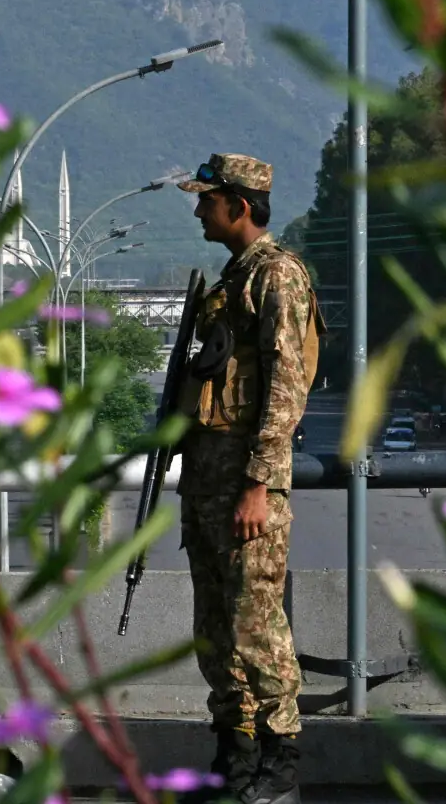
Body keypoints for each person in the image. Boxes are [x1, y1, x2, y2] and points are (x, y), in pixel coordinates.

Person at [172, 153, 322, 804]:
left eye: (208, 200)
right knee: (217, 630)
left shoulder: (277, 275)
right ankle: (234, 760)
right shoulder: (231, 276)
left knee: (258, 629)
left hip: (245, 485)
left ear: (239, 205)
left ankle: (278, 765)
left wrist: (260, 482)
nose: (199, 209)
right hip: (208, 479)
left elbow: (287, 386)